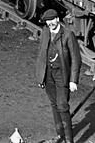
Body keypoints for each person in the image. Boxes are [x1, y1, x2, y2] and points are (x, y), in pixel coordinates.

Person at [34, 9, 80, 143]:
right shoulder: (45, 32)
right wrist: (40, 77)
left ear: (58, 19)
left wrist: (73, 80)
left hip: (62, 74)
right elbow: (41, 54)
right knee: (54, 104)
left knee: (62, 106)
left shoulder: (67, 35)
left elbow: (76, 59)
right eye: (48, 21)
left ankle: (69, 140)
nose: (50, 23)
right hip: (48, 74)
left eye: (52, 20)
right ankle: (60, 135)